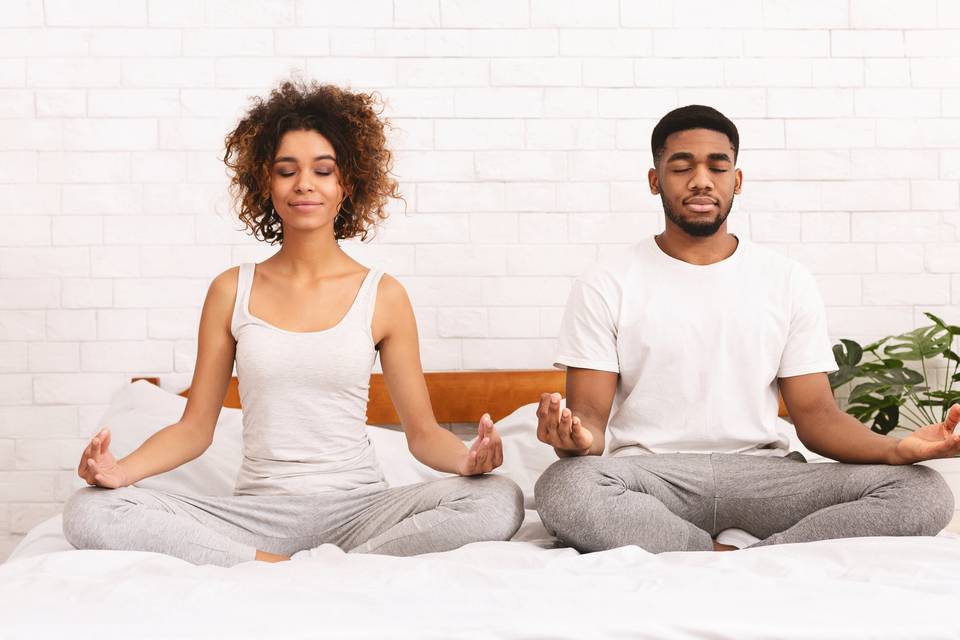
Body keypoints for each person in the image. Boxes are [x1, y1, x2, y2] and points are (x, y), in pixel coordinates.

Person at [62, 80, 523, 567]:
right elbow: (195, 429)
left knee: (499, 498)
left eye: (323, 171)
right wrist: (119, 472)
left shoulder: (383, 296)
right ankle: (278, 564)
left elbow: (424, 434)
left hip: (361, 511)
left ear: (347, 185)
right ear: (268, 183)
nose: (305, 183)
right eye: (287, 171)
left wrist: (468, 460)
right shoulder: (230, 290)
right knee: (90, 510)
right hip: (257, 516)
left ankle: (326, 564)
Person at [534, 104, 957, 553]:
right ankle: (720, 554)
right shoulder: (606, 281)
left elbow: (815, 416)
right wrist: (574, 439)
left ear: (736, 181)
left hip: (768, 477)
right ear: (655, 181)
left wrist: (897, 450)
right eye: (682, 167)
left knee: (924, 491)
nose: (701, 180)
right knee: (564, 486)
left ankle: (751, 555)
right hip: (651, 477)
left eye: (717, 166)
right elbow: (590, 422)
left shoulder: (786, 279)